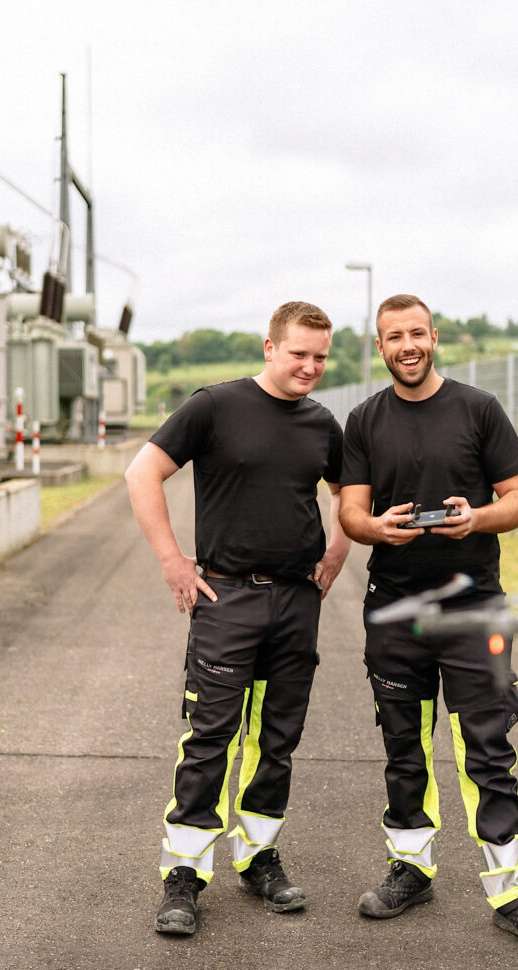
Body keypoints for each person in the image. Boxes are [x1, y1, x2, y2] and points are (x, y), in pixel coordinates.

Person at [337, 294, 518, 956]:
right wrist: (377, 528)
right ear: (379, 346)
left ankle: (513, 896)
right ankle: (410, 871)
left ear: (433, 337)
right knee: (403, 744)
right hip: (394, 605)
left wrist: (480, 518)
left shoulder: (478, 408)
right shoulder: (363, 419)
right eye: (393, 337)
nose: (406, 345)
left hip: (474, 604)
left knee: (488, 746)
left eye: (416, 333)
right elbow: (351, 512)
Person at [125, 300, 350, 937]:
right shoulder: (215, 406)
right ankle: (185, 874)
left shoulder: (320, 423)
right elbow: (142, 472)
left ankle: (258, 858)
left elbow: (345, 494)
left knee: (277, 738)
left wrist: (337, 549)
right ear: (269, 348)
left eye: (320, 357)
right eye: (298, 353)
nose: (309, 366)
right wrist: (172, 558)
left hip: (296, 602)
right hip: (227, 599)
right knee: (210, 738)